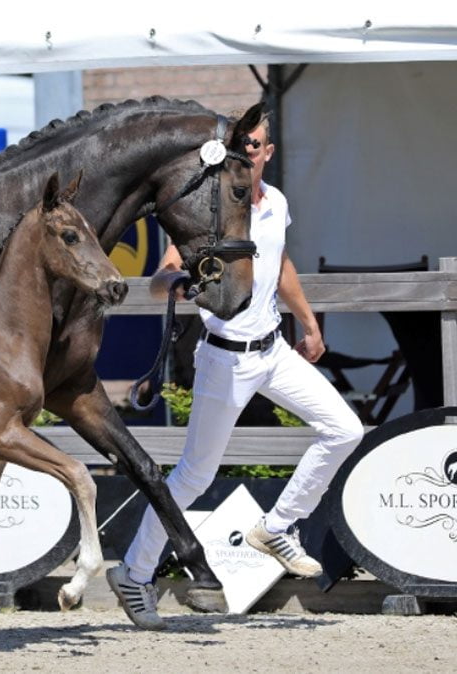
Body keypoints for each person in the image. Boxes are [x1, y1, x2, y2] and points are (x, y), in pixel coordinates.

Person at [106, 113, 365, 630]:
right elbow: (162, 275)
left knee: (345, 429)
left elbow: (281, 264)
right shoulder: (215, 207)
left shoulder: (278, 203)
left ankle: (277, 526)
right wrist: (177, 283)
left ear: (268, 153)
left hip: (274, 350)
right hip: (226, 357)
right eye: (243, 143)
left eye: (258, 143)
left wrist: (308, 323)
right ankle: (135, 573)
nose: (250, 148)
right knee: (194, 476)